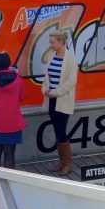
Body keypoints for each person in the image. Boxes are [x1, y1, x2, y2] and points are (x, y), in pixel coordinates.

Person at [41, 30, 79, 175]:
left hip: (63, 100)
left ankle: (68, 164)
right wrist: (45, 89)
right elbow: (47, 77)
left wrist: (55, 92)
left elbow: (71, 82)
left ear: (61, 42)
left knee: (61, 131)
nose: (50, 45)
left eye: (52, 42)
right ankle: (62, 162)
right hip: (52, 100)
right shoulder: (52, 56)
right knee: (57, 130)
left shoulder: (71, 59)